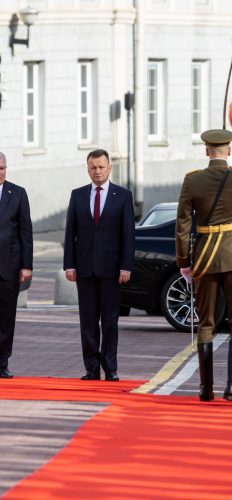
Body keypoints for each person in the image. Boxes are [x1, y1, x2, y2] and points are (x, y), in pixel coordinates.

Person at [176, 129, 232, 403]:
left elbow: (183, 225)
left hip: (205, 255)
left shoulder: (192, 180)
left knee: (206, 322)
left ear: (207, 151)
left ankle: (205, 388)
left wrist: (184, 261)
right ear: (229, 150)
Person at [63, 149, 135, 381]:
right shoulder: (78, 195)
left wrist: (126, 266)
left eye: (101, 167)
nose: (97, 171)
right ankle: (91, 368)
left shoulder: (123, 196)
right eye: (93, 167)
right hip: (84, 268)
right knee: (88, 321)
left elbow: (128, 235)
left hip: (113, 269)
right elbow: (70, 233)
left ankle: (110, 367)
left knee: (110, 321)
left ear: (109, 168)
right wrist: (69, 265)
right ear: (88, 169)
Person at [0, 153, 33, 378]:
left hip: (8, 267)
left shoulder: (17, 193)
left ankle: (2, 362)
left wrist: (26, 265)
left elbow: (25, 232)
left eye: (2, 168)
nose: (0, 172)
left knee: (5, 317)